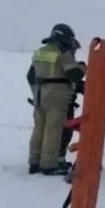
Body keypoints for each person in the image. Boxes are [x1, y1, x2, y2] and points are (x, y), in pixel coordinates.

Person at [27, 23, 86, 175]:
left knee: (39, 127)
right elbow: (74, 75)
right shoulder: (62, 52)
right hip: (57, 95)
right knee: (53, 129)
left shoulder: (40, 52)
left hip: (40, 93)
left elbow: (30, 76)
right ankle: (49, 165)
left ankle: (34, 162)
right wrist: (83, 67)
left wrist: (36, 93)